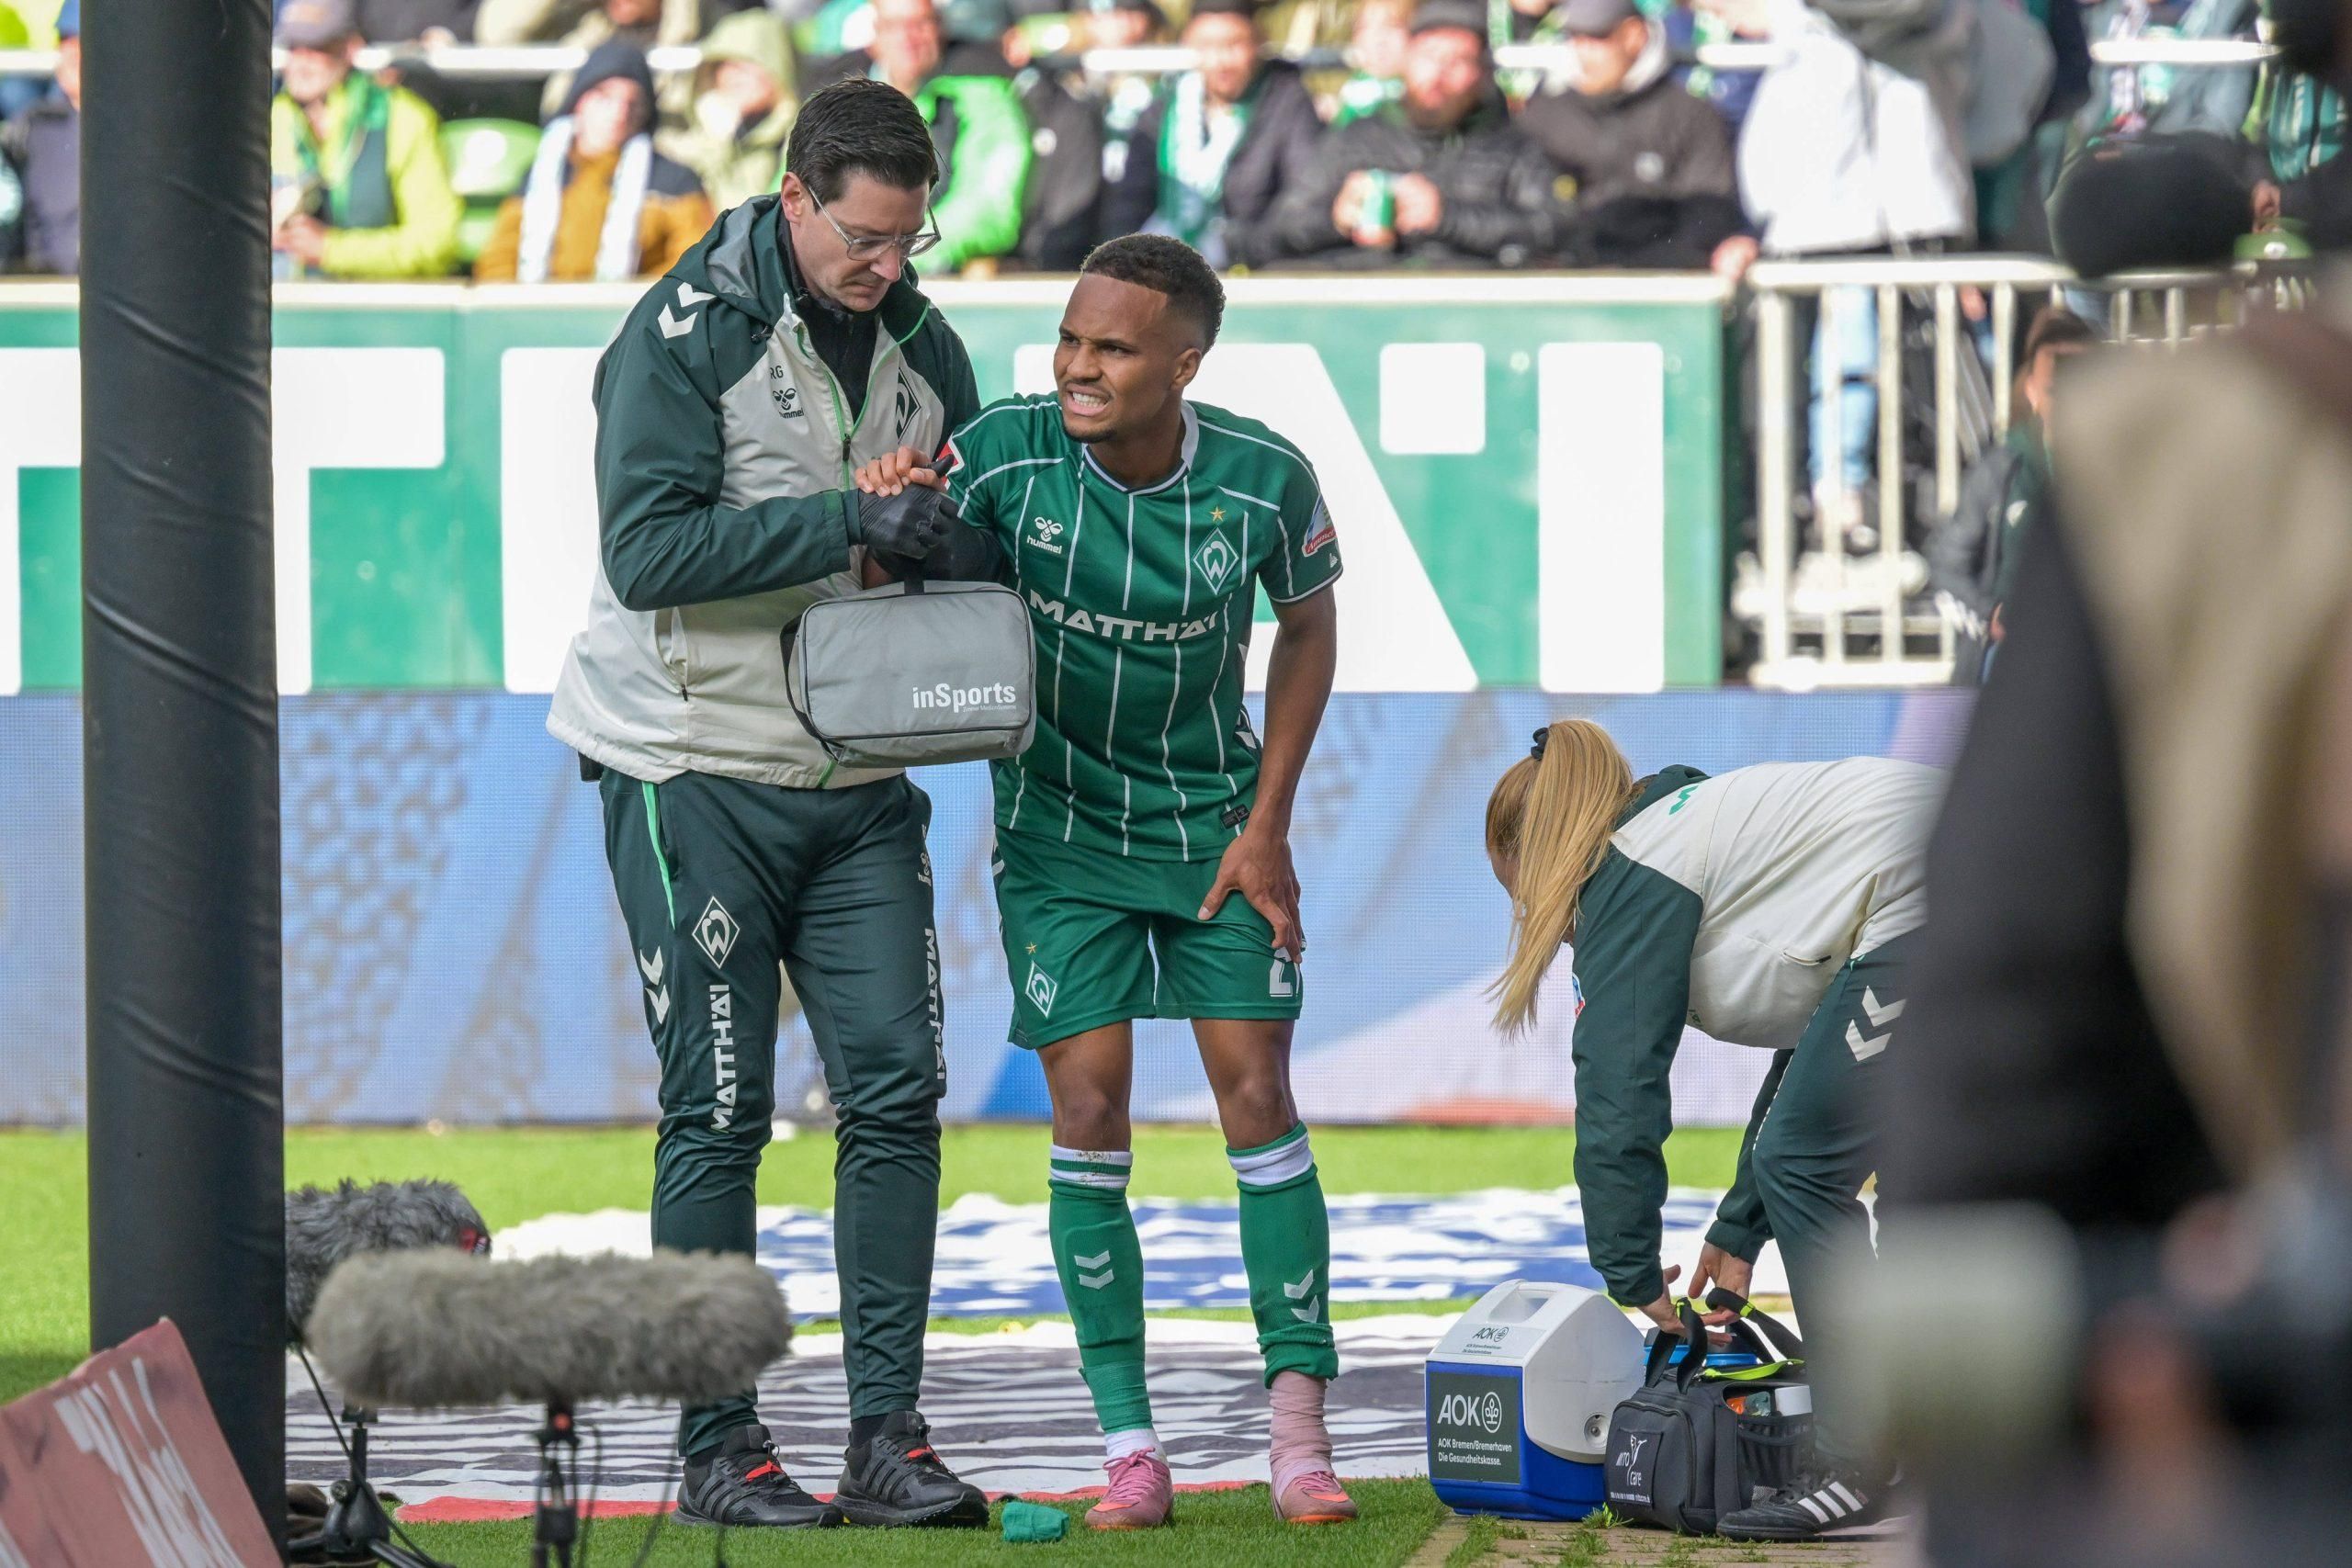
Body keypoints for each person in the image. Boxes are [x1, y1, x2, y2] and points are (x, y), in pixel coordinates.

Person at [545, 76, 992, 1532]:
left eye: (908, 239)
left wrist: (929, 530)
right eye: (864, 238)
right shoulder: (682, 334)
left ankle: (886, 1435)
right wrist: (847, 520)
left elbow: (962, 527)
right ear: (795, 197)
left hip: (861, 774)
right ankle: (715, 1443)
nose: (890, 268)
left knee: (896, 1098)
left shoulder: (927, 339)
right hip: (692, 765)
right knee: (719, 1109)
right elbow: (648, 551)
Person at [852, 234, 1352, 1532]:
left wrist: (1270, 821)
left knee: (1259, 1090)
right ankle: (1131, 1445)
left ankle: (1299, 1435)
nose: (1077, 364)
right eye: (1071, 337)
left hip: (1215, 833)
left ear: (1184, 363)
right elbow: (886, 573)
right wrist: (892, 500)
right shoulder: (1008, 450)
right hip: (1058, 838)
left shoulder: (1262, 480)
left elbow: (1309, 623)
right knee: (1087, 1110)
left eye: (1113, 347)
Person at [1485, 718, 1940, 1540]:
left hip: (1942, 885)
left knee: (1805, 1164)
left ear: (1542, 853)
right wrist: (1740, 1225)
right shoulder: (1674, 832)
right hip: (1970, 858)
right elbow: (1812, 1059)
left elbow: (1618, 1101)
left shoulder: (1624, 875)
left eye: (1516, 887)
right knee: (1913, 1171)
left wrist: (1631, 1269)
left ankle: (1861, 1455)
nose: (1529, 915)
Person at [1267, 0, 1570, 268]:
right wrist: (1336, 219)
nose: (1438, 75)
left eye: (1457, 61)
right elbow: (1277, 230)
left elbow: (1554, 230)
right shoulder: (1358, 138)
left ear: (1480, 74)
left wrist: (1448, 218)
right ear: (1407, 57)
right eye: (1429, 55)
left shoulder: (1511, 147)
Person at [1926, 308, 2096, 683]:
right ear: (2033, 391)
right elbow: (1947, 564)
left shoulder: (2126, 471)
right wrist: (1991, 617)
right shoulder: (2005, 467)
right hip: (2012, 662)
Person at [806, 0, 1031, 272]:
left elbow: (989, 212)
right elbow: (795, 197)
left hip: (939, 279)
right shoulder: (830, 101)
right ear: (874, 36)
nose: (908, 38)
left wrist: (885, 254)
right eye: (894, 26)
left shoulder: (984, 97)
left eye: (920, 24)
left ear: (940, 29)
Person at [1096, 0, 1325, 268]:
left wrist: (1234, 245)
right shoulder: (1164, 108)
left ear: (1258, 42)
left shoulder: (1288, 103)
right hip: (1164, 269)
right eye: (1206, 46)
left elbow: (1303, 205)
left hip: (1254, 269)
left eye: (1234, 44)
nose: (1221, 60)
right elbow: (1128, 203)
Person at [1517, 0, 1742, 267]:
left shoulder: (1690, 115)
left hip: (1660, 288)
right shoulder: (1545, 115)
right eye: (1575, 37)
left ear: (1634, 35)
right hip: (1562, 286)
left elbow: (1708, 212)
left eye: (1597, 37)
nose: (1582, 51)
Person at [474, 42, 716, 282]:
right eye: (605, 97)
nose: (619, 113)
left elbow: (692, 264)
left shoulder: (674, 181)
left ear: (645, 113)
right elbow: (499, 258)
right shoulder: (541, 175)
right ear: (579, 101)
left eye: (633, 103)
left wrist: (642, 303)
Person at [268, 0, 463, 280]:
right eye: (293, 48)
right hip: (287, 308)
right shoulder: (269, 121)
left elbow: (437, 243)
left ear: (350, 48)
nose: (301, 64)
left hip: (381, 309)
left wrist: (331, 250)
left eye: (317, 49)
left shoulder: (403, 118)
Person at [661, 8, 799, 210]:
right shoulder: (682, 142)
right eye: (726, 66)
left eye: (747, 64)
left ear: (777, 67)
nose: (735, 77)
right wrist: (718, 138)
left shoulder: (799, 141)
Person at [1, 0, 76, 276]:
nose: (72, 55)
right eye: (65, 42)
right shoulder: (34, 128)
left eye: (81, 43)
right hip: (46, 291)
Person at [1330, 0, 1411, 125]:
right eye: (1364, 28)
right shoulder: (1353, 93)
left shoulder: (1425, 101)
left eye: (1392, 26)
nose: (1379, 40)